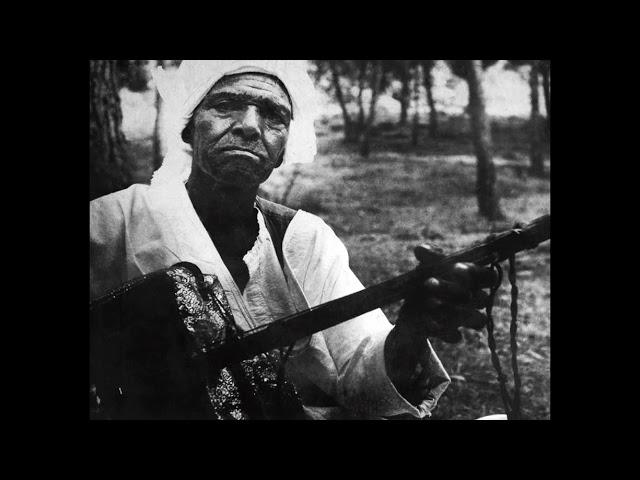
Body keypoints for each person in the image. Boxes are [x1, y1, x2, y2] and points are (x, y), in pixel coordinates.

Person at [90, 60, 497, 420]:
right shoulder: (112, 222)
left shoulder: (307, 239)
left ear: (283, 147)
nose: (249, 125)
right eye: (226, 104)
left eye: (273, 115)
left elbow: (363, 381)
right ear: (189, 127)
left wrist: (411, 332)